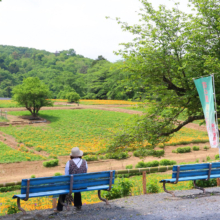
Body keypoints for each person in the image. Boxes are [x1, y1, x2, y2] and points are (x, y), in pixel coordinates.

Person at [56, 147, 88, 212]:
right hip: (82, 185)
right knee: (77, 185)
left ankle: (59, 208)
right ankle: (78, 205)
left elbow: (66, 175)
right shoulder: (85, 162)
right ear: (80, 155)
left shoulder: (69, 162)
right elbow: (85, 172)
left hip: (72, 185)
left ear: (71, 155)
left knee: (64, 189)